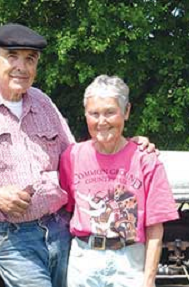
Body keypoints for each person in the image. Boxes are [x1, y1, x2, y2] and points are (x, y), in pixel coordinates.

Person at [0, 24, 155, 287]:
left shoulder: (43, 103)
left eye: (30, 59)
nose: (22, 67)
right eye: (12, 57)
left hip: (60, 230)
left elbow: (79, 157)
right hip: (8, 237)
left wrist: (127, 145)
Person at [59, 75, 179, 287]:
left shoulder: (146, 160)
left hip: (129, 261)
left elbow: (155, 229)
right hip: (84, 260)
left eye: (110, 112)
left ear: (126, 112)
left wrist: (149, 280)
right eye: (94, 113)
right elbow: (66, 209)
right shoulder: (72, 156)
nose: (101, 121)